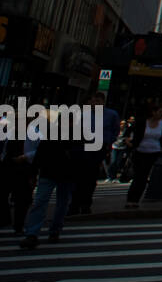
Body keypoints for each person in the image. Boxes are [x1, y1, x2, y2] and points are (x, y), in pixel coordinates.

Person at [18, 115, 77, 250]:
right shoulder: (51, 133)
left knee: (62, 204)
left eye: (70, 121)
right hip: (49, 172)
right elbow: (41, 152)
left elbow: (82, 156)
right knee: (40, 202)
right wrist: (33, 172)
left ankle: (54, 230)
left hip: (67, 174)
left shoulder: (79, 136)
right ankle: (32, 234)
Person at [70, 93, 119, 215]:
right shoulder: (83, 114)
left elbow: (115, 130)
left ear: (103, 102)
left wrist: (108, 142)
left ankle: (85, 203)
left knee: (91, 177)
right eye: (92, 101)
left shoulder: (111, 115)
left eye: (97, 101)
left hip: (99, 146)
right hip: (82, 145)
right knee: (79, 176)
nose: (94, 104)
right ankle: (75, 204)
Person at [125, 104, 162, 209]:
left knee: (143, 177)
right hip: (140, 151)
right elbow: (128, 132)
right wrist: (130, 143)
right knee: (138, 176)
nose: (161, 114)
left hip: (153, 152)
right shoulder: (142, 122)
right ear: (153, 112)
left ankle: (135, 200)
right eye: (159, 111)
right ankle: (130, 199)